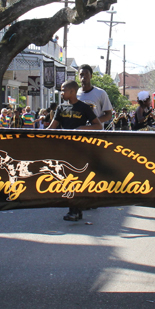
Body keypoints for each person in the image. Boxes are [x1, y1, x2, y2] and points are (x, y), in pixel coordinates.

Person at [48, 80, 103, 221]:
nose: (61, 93)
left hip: (80, 149)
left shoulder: (84, 108)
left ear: (72, 91)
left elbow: (98, 126)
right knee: (67, 179)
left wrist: (81, 129)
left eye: (63, 90)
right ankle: (75, 210)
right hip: (65, 149)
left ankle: (75, 210)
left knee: (76, 179)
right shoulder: (60, 108)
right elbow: (51, 128)